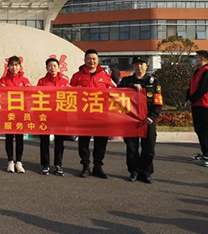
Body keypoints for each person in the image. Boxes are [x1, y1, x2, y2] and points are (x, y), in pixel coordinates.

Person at [70, 49, 114, 179]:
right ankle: (85, 166)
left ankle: (98, 166)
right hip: (84, 115)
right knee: (83, 142)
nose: (91, 61)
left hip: (101, 114)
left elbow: (114, 91)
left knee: (101, 142)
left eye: (94, 59)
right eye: (89, 59)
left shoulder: (105, 76)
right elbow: (69, 93)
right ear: (84, 60)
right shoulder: (77, 76)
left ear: (98, 60)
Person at [119, 56, 162, 183]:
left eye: (142, 64)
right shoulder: (126, 81)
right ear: (133, 66)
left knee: (149, 148)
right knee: (132, 148)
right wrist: (131, 86)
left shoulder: (153, 82)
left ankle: (146, 172)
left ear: (146, 66)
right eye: (136, 64)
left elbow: (158, 102)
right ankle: (134, 171)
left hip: (148, 119)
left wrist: (152, 117)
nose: (139, 66)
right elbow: (116, 93)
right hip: (131, 120)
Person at [0, 56, 31, 173]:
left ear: (20, 67)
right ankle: (10, 161)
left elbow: (30, 97)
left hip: (20, 113)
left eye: (16, 65)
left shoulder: (25, 81)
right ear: (8, 67)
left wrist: (29, 89)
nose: (14, 67)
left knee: (19, 138)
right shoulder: (3, 80)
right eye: (11, 65)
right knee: (9, 137)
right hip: (8, 113)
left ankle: (19, 162)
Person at [37, 58, 69, 176]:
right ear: (46, 68)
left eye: (55, 66)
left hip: (60, 115)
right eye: (50, 66)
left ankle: (58, 165)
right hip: (45, 114)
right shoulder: (42, 81)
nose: (52, 68)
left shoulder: (64, 82)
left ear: (59, 67)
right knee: (44, 141)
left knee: (59, 141)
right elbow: (37, 96)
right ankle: (45, 165)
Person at [187, 50, 208, 167]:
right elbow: (191, 87)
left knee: (205, 130)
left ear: (202, 59)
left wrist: (191, 99)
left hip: (205, 105)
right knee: (199, 130)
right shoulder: (196, 72)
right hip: (197, 105)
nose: (194, 60)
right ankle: (205, 153)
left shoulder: (207, 71)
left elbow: (203, 89)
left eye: (196, 58)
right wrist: (188, 99)